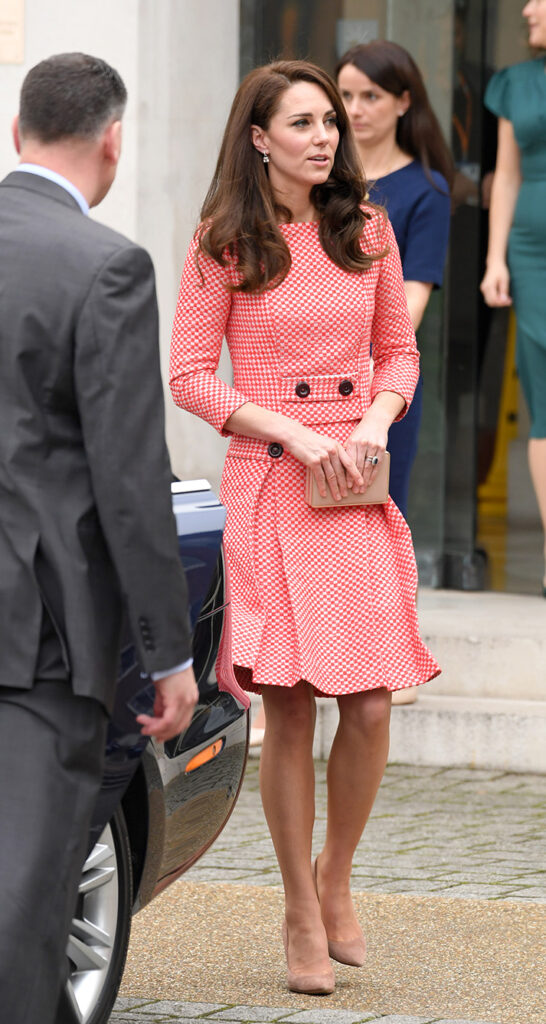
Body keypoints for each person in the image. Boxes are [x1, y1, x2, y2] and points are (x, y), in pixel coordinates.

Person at [170, 59, 439, 996]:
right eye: (303, 123)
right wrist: (288, 428)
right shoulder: (224, 240)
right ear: (259, 138)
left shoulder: (364, 227)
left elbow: (398, 351)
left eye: (331, 119)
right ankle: (295, 906)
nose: (326, 135)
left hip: (352, 483)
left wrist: (371, 420)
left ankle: (336, 874)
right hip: (272, 480)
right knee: (287, 702)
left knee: (367, 702)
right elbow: (191, 374)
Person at [0, 53, 198, 1024]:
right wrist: (170, 653)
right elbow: (131, 483)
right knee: (24, 910)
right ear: (113, 140)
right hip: (36, 642)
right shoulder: (107, 266)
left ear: (14, 132)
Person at [336, 41, 452, 521]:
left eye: (371, 96)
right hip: (305, 374)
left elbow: (413, 300)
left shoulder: (426, 189)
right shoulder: (319, 178)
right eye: (344, 95)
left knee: (375, 512)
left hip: (380, 379)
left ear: (404, 101)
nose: (354, 110)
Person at [480, 0, 546, 595]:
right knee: (543, 401)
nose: (526, 9)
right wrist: (496, 257)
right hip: (531, 253)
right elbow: (508, 175)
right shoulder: (514, 83)